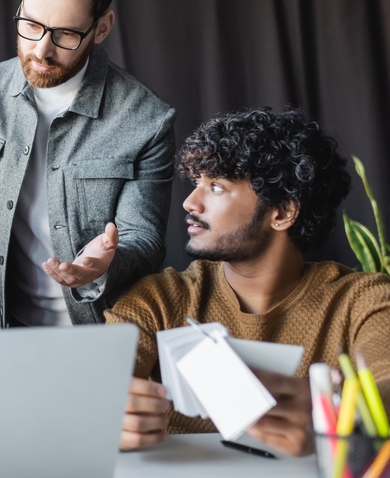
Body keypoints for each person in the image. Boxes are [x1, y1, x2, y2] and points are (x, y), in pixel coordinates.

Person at [109, 107, 390, 457]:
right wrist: (104, 413)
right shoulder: (161, 299)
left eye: (216, 186)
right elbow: (95, 381)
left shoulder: (362, 300)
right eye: (195, 183)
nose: (189, 202)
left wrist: (341, 413)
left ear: (283, 212)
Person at [0, 0, 176, 329]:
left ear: (101, 28)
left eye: (65, 34)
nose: (41, 50)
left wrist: (103, 266)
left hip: (104, 335)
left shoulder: (147, 119)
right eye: (31, 26)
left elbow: (144, 238)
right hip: (7, 331)